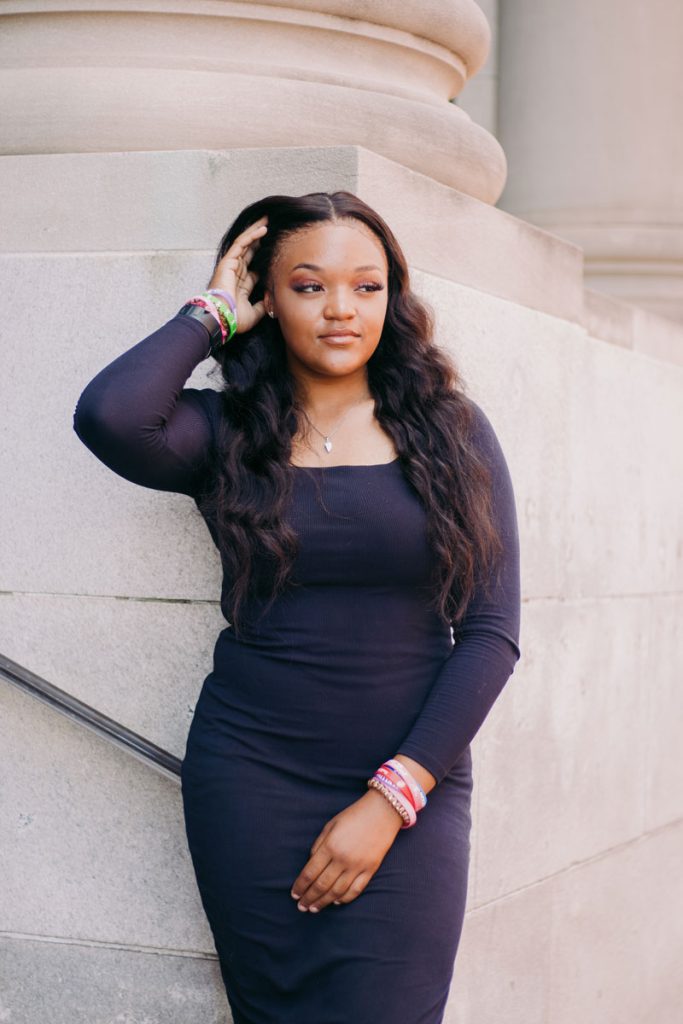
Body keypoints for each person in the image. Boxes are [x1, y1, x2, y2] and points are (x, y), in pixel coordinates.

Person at [72, 190, 521, 1024]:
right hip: (250, 782)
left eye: (368, 285)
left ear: (395, 295)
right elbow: (109, 415)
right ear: (266, 299)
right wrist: (208, 313)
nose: (342, 309)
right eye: (309, 286)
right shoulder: (224, 432)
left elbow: (491, 634)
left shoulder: (452, 429)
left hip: (409, 789)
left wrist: (391, 798)